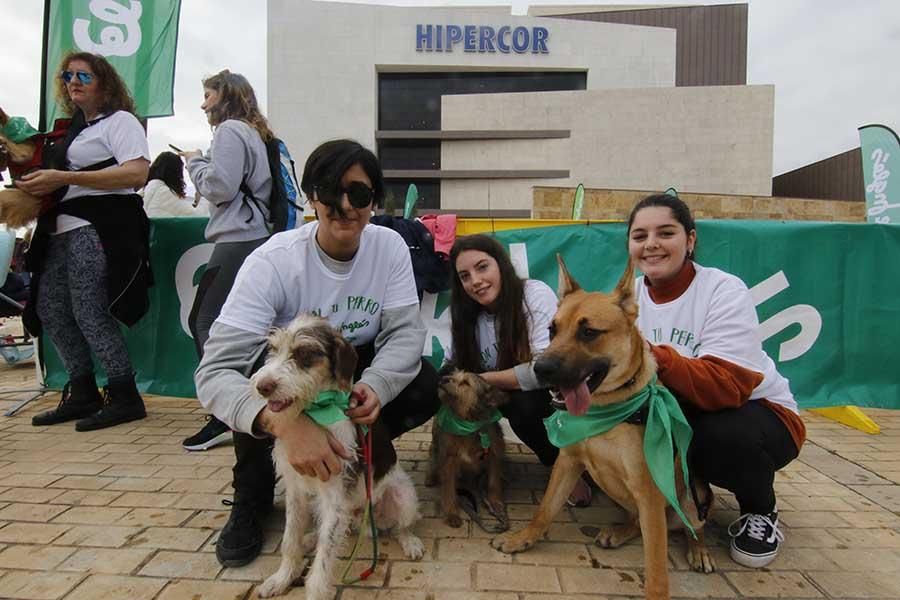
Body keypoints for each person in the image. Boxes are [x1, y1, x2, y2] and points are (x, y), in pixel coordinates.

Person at [194, 139, 440, 567]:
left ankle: (348, 467)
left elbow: (403, 336)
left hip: (348, 366)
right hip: (288, 367)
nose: (344, 205)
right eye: (329, 191)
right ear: (311, 197)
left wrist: (373, 387)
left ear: (374, 201)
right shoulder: (273, 261)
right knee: (262, 381)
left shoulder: (390, 248)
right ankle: (252, 493)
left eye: (358, 193)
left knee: (424, 382)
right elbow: (216, 371)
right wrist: (286, 426)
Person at [626, 193, 805, 568]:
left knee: (718, 435)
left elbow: (727, 385)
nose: (651, 244)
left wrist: (650, 355)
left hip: (758, 414)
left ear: (690, 240)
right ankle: (681, 495)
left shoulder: (722, 289)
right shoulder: (629, 297)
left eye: (665, 232)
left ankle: (760, 511)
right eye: (639, 236)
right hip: (682, 410)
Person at [17, 51, 152, 431]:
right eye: (67, 75)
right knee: (51, 310)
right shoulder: (70, 130)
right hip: (59, 230)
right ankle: (82, 391)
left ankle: (124, 394)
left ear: (105, 84)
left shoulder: (120, 121)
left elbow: (137, 173)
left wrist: (63, 178)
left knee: (89, 311)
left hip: (98, 227)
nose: (73, 81)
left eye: (84, 76)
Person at [447, 234, 593, 506]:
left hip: (555, 395)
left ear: (501, 264)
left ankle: (565, 465)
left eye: (482, 267)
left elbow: (544, 370)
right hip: (496, 391)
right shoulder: (464, 315)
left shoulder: (533, 295)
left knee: (522, 404)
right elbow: (452, 367)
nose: (475, 281)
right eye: (464, 276)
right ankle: (466, 459)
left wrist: (480, 379)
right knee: (447, 390)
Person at [179, 70, 273, 452]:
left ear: (226, 96)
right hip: (255, 236)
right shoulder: (255, 132)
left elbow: (220, 186)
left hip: (237, 238)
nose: (203, 105)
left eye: (208, 95)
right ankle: (251, 404)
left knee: (205, 322)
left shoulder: (231, 131)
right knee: (243, 327)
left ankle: (226, 412)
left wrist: (194, 161)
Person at [141, 151, 205, 217]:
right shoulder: (163, 192)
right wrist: (204, 195)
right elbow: (196, 216)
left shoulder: (146, 189)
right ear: (176, 173)